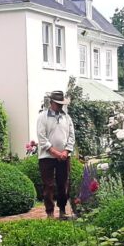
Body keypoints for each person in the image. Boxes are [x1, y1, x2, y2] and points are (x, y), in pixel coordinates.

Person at [37, 90, 76, 219]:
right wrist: (54, 152)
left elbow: (71, 136)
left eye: (61, 104)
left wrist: (66, 151)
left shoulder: (67, 117)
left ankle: (63, 210)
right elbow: (41, 138)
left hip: (64, 157)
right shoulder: (43, 117)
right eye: (58, 103)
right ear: (51, 102)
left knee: (63, 183)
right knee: (48, 185)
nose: (60, 106)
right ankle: (49, 213)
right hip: (47, 157)